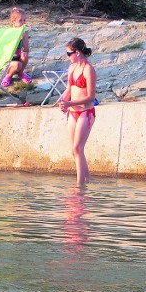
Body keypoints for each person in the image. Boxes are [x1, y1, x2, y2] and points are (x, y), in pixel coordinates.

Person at [59, 38, 96, 185]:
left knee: (77, 148)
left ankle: (78, 186)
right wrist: (64, 102)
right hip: (73, 113)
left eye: (69, 53)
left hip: (85, 113)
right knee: (74, 151)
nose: (68, 56)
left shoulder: (89, 70)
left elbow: (90, 97)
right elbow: (69, 89)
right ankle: (86, 181)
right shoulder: (72, 68)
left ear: (78, 52)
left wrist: (70, 103)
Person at [0, 7, 31, 87]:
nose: (23, 23)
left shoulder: (23, 34)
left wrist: (24, 39)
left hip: (17, 58)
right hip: (8, 60)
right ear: (13, 21)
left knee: (24, 55)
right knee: (17, 65)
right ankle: (8, 76)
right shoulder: (8, 33)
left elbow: (26, 50)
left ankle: (21, 74)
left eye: (24, 20)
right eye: (20, 20)